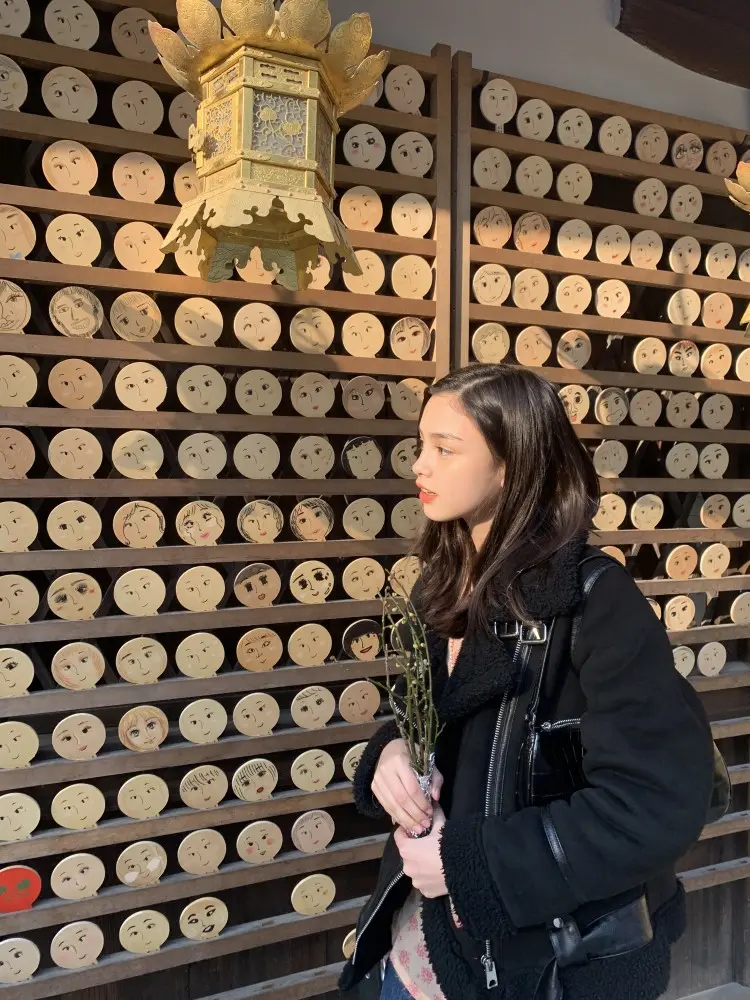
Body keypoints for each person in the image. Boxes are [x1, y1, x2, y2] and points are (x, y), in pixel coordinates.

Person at [339, 364, 715, 1000]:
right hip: (424, 944)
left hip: (549, 968)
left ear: (511, 463)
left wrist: (469, 866)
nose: (418, 467)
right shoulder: (444, 584)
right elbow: (469, 735)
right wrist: (394, 754)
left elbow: (656, 804)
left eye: (444, 448)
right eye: (420, 444)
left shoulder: (594, 602)